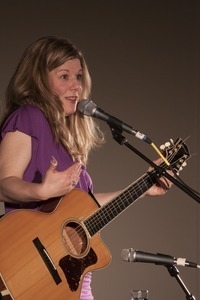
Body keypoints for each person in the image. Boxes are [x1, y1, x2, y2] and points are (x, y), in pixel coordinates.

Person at [0, 36, 172, 300]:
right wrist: (41, 190)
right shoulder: (29, 117)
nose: (76, 86)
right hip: (34, 277)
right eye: (64, 76)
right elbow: (4, 184)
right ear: (39, 80)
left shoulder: (68, 143)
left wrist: (144, 186)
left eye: (78, 77)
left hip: (74, 282)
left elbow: (85, 208)